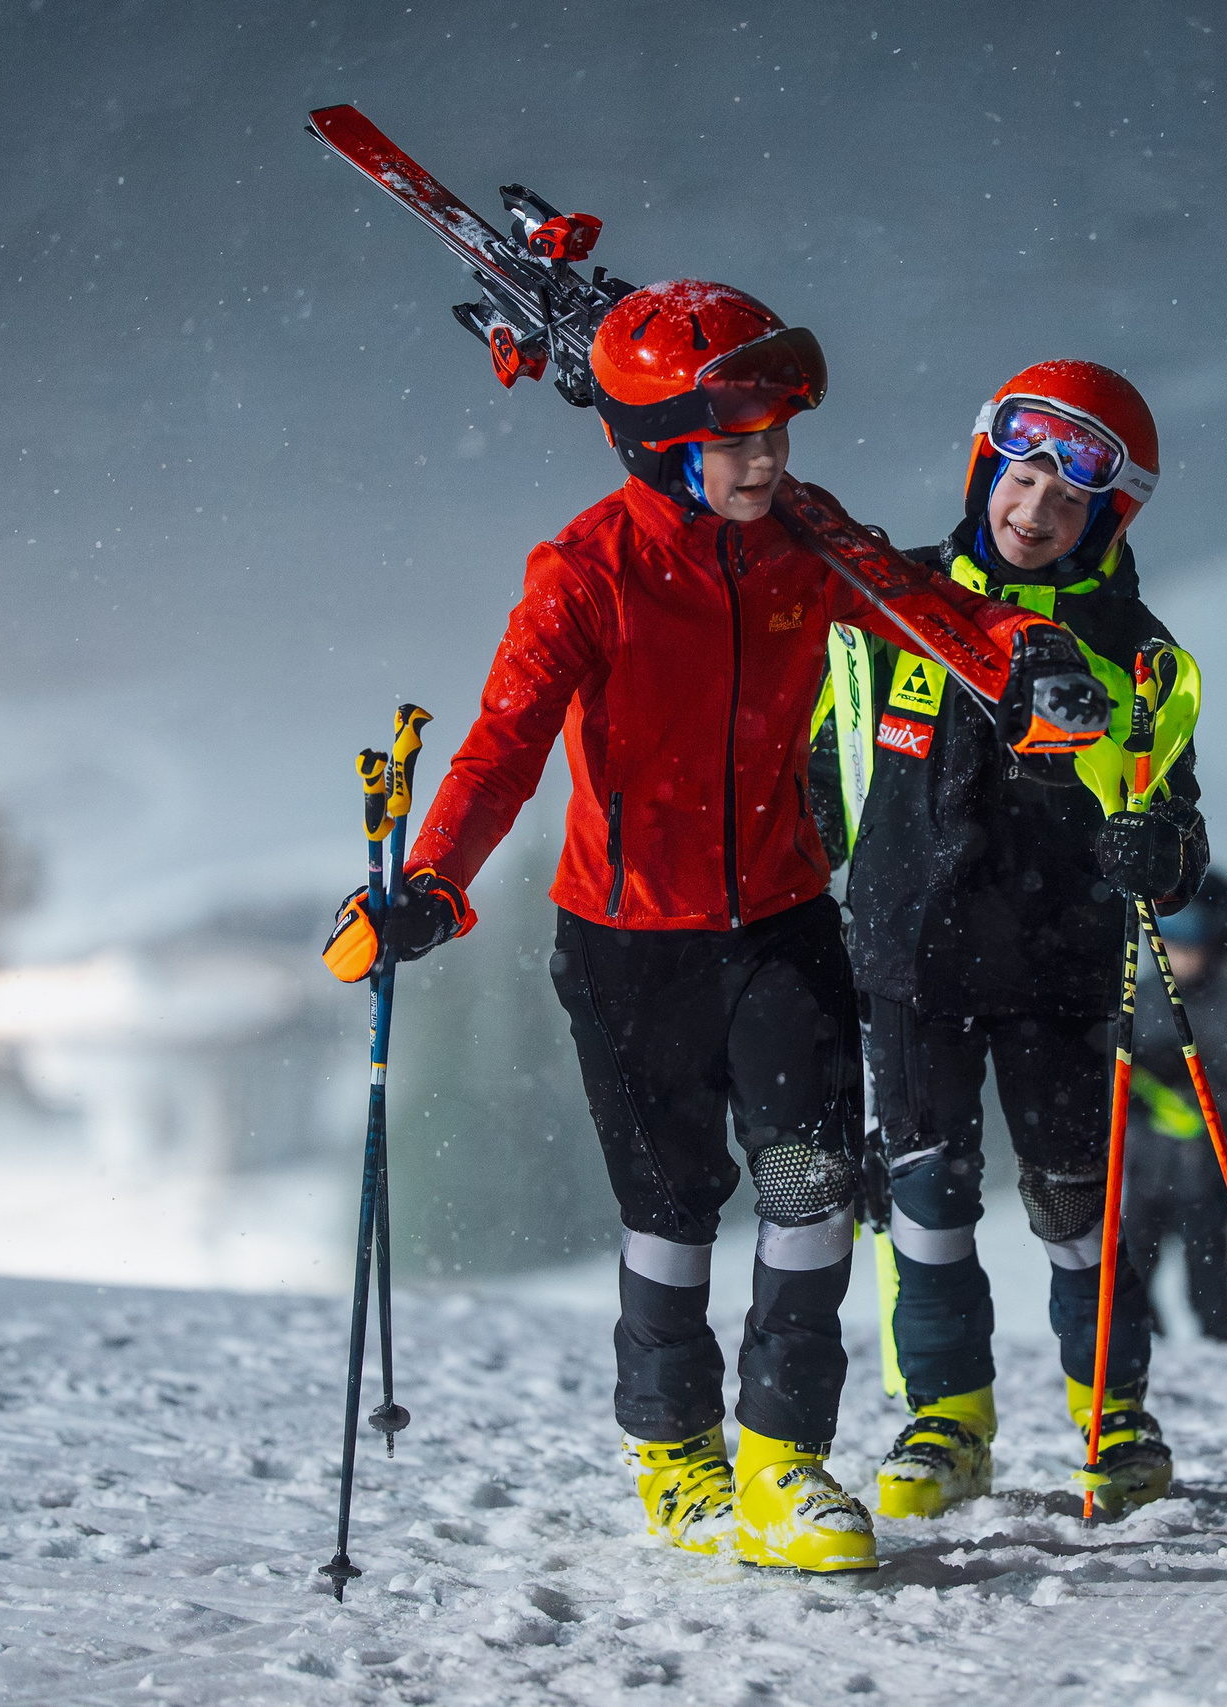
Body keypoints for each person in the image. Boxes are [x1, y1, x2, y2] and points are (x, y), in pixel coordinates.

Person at [327, 281, 1106, 1574]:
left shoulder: (803, 534)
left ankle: (780, 1459)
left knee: (811, 1183)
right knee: (671, 1207)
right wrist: (433, 883)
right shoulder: (588, 571)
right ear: (665, 443)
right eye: (741, 436)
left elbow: (926, 601)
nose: (771, 458)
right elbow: (502, 746)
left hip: (782, 920)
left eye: (780, 430)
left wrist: (1026, 654)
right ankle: (674, 1448)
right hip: (630, 939)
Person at [810, 361, 1207, 1519]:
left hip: (1059, 964)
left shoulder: (1139, 654)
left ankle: (1110, 1409)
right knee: (924, 1192)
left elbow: (1179, 824)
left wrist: (1158, 852)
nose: (1032, 510)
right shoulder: (892, 607)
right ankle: (947, 1418)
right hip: (907, 956)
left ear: (1106, 517)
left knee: (1073, 1197)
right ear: (986, 468)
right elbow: (818, 776)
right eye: (1019, 477)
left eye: (1067, 498)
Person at [1121, 872, 1227, 1342]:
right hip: (1143, 1171)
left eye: (1191, 932)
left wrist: (1218, 1104)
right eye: (1166, 934)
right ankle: (1146, 1364)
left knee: (1209, 1287)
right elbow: (1108, 1075)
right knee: (1128, 1280)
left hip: (1207, 1172)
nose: (1179, 949)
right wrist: (1137, 1089)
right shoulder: (1144, 996)